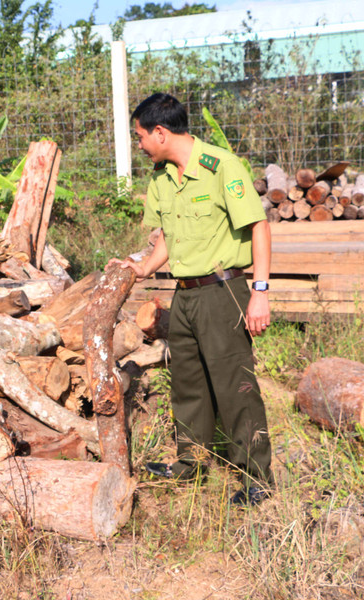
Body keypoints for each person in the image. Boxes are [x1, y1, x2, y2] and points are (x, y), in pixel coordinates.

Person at [112, 93, 273, 506]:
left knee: (234, 385)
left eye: (141, 136)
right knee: (187, 382)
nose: (140, 144)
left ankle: (256, 477)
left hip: (223, 292)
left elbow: (258, 227)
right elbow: (165, 238)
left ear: (161, 133)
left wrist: (260, 292)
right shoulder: (162, 177)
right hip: (183, 295)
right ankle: (192, 462)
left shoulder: (221, 167)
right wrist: (142, 269)